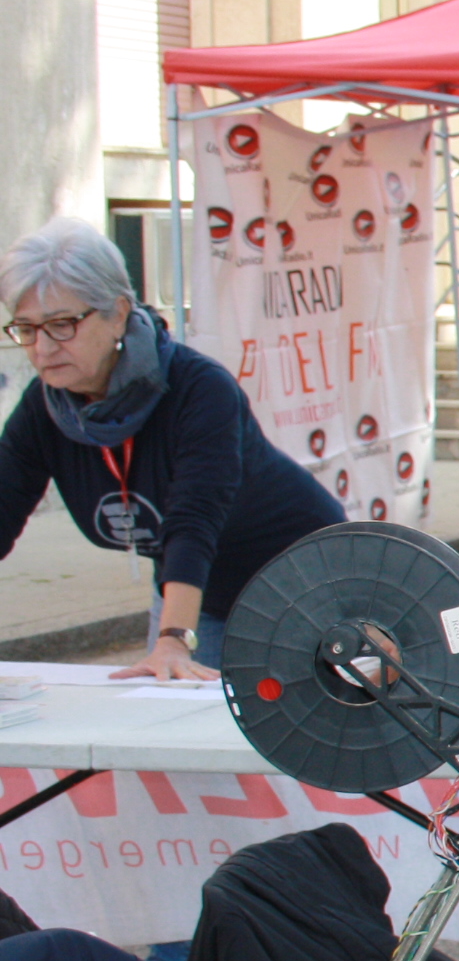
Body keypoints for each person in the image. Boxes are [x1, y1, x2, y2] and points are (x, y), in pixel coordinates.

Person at [0, 219, 341, 679]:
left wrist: (174, 639)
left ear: (118, 313)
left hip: (305, 576)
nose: (42, 348)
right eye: (26, 328)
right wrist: (172, 643)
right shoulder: (45, 408)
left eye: (62, 325)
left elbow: (194, 517)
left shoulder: (199, 389)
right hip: (199, 586)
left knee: (289, 715)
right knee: (170, 700)